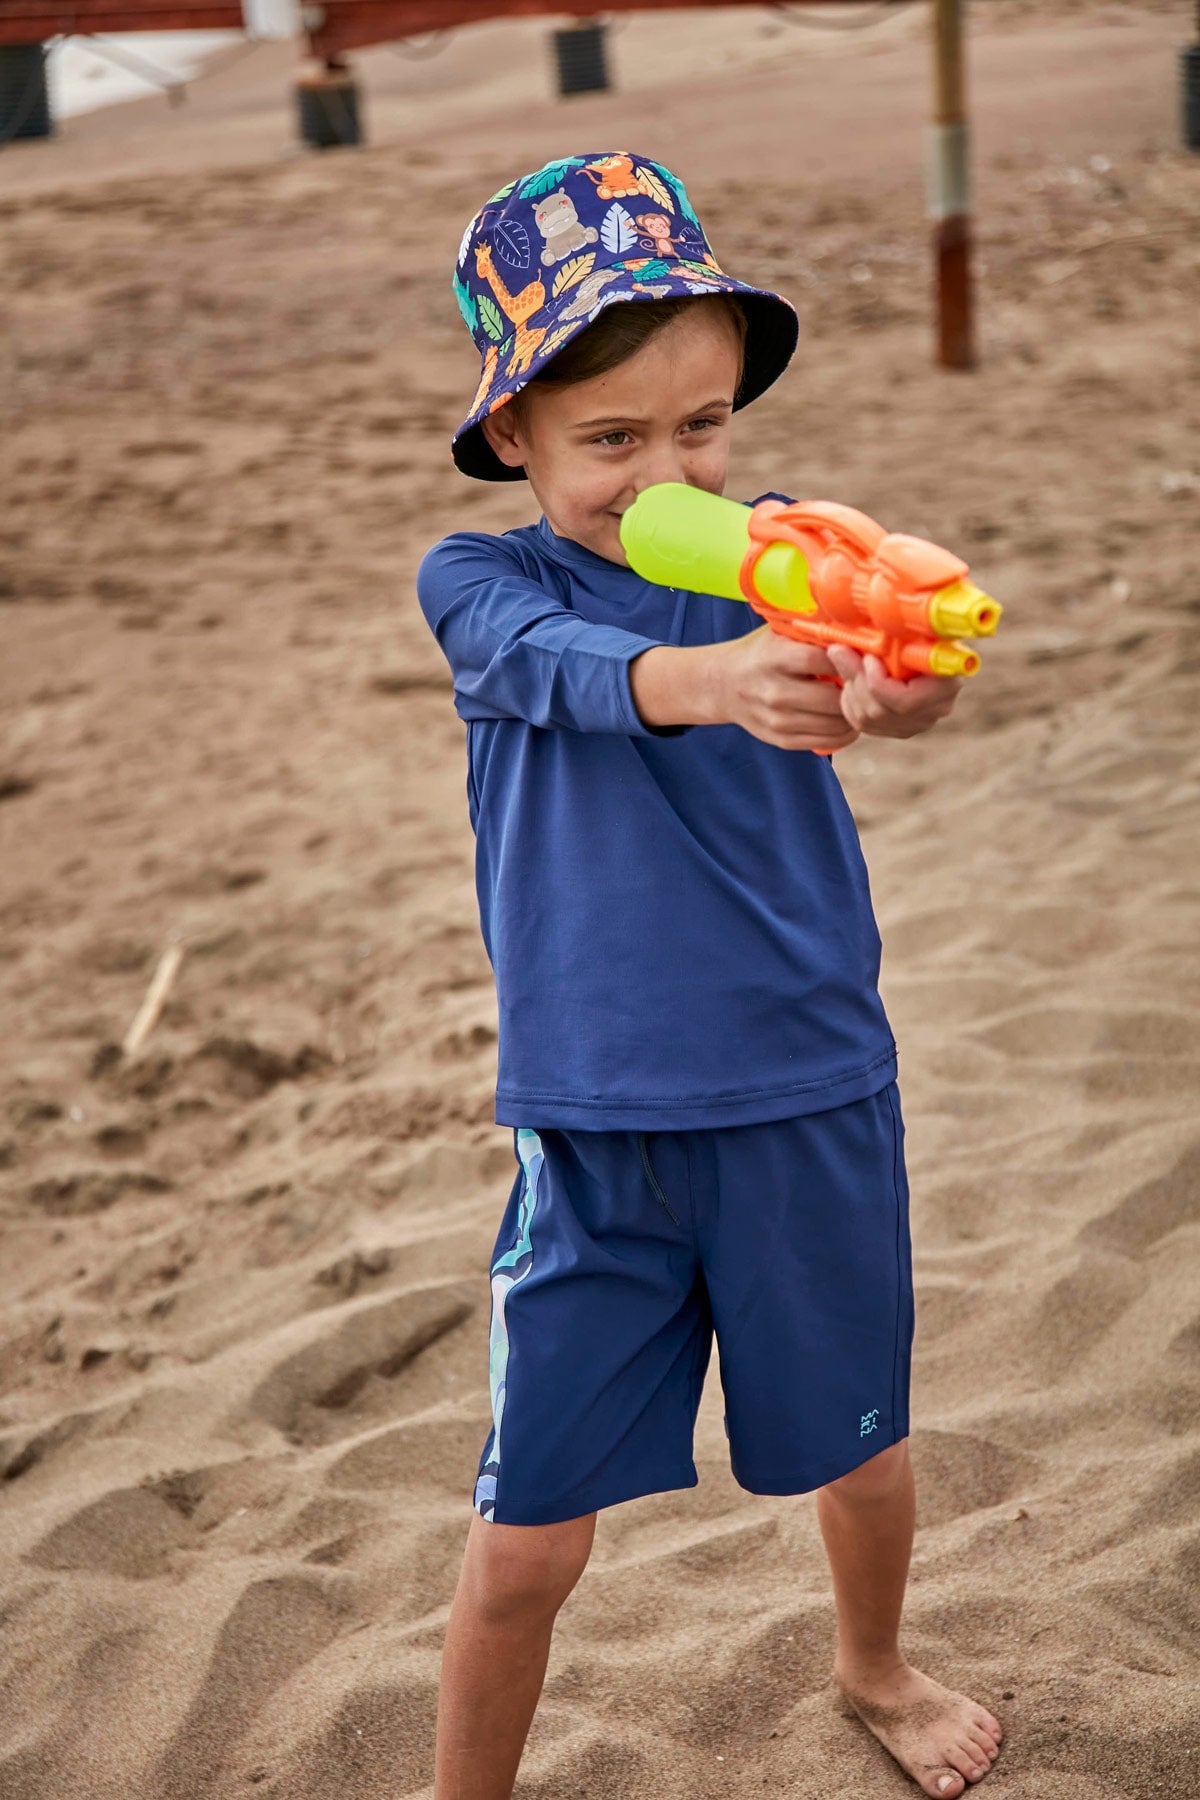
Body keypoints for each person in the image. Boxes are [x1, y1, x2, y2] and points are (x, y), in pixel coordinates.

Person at [417, 152, 1003, 1800]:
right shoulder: (487, 583)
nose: (661, 469)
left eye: (701, 425)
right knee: (526, 1544)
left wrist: (904, 675)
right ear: (514, 434)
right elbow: (559, 672)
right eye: (609, 439)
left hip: (808, 1086)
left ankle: (873, 1666)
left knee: (863, 1451)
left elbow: (888, 691)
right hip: (596, 1128)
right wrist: (712, 677)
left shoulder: (776, 555)